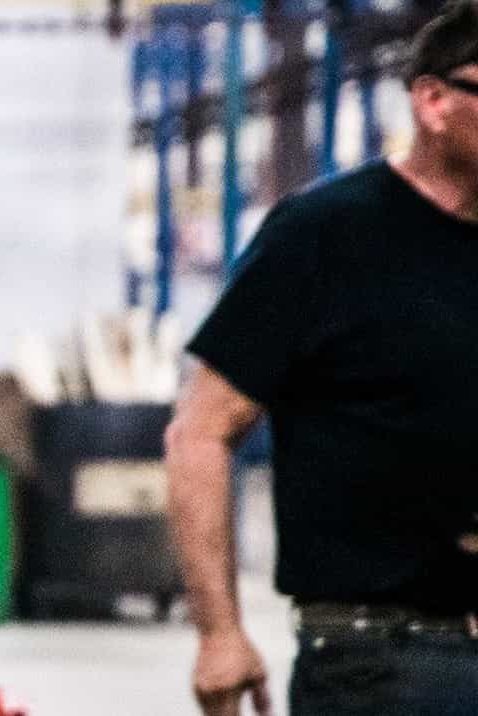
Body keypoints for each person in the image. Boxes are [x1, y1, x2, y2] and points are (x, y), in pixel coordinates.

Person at [166, 2, 478, 715]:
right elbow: (201, 432)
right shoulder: (324, 237)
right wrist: (220, 633)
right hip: (378, 663)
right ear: (433, 100)